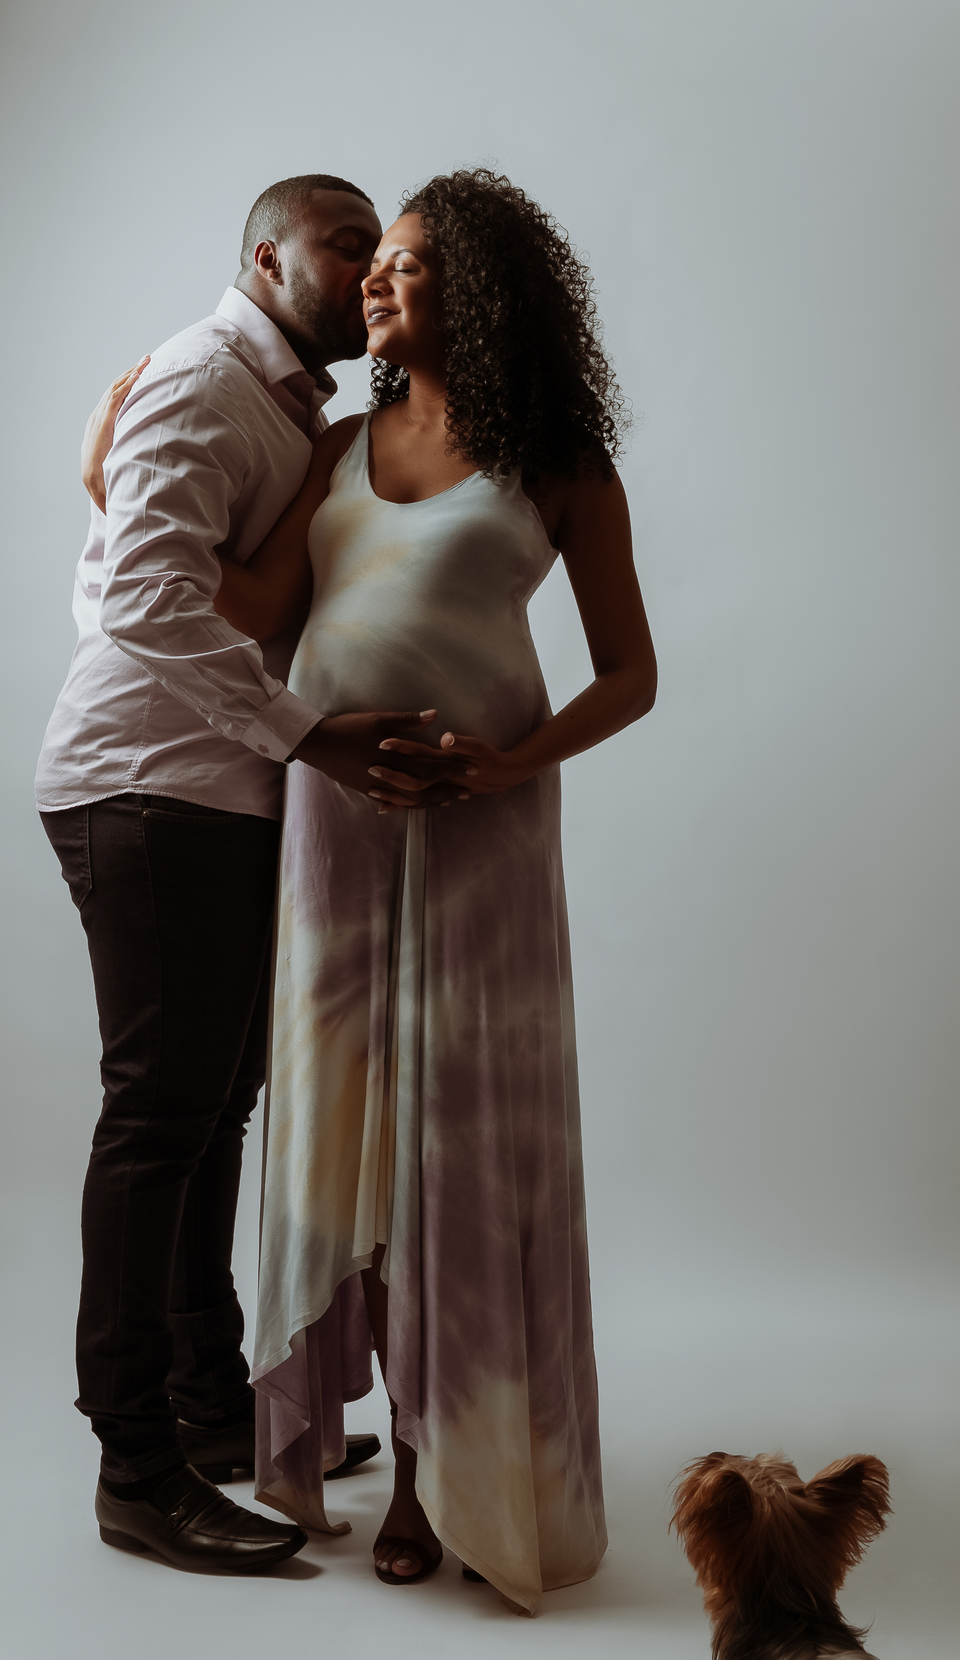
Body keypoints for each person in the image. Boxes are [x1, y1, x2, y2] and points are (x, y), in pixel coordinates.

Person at [207, 168, 657, 1614]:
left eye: (408, 262)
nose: (378, 282)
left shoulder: (559, 460)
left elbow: (632, 671)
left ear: (484, 287)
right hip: (333, 830)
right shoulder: (337, 443)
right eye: (374, 263)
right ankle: (369, 1439)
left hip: (484, 835)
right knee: (351, 1125)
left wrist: (514, 762)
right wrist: (116, 472)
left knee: (450, 1145)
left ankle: (431, 1473)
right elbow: (249, 607)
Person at [35, 175, 462, 1575]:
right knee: (159, 1119)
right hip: (149, 785)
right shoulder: (204, 377)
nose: (367, 269)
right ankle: (137, 1470)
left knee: (212, 1110)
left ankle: (212, 1411)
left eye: (381, 250)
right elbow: (141, 598)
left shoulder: (284, 406)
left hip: (211, 790)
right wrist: (309, 734)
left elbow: (155, 563)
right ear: (265, 255)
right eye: (345, 244)